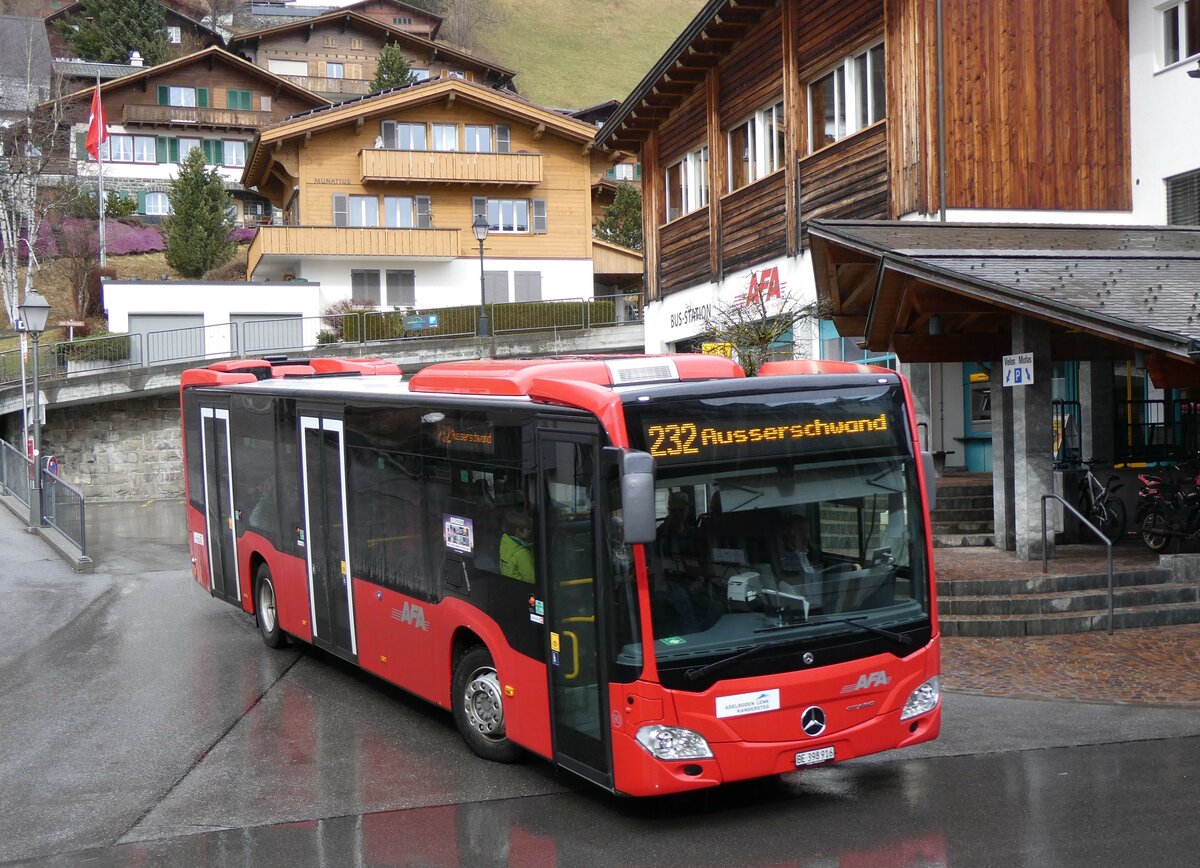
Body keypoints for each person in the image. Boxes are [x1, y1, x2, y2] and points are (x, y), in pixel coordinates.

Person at [499, 510, 535, 583]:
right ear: (518, 531)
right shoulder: (522, 553)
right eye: (528, 529)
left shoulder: (505, 545)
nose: (530, 531)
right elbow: (531, 579)